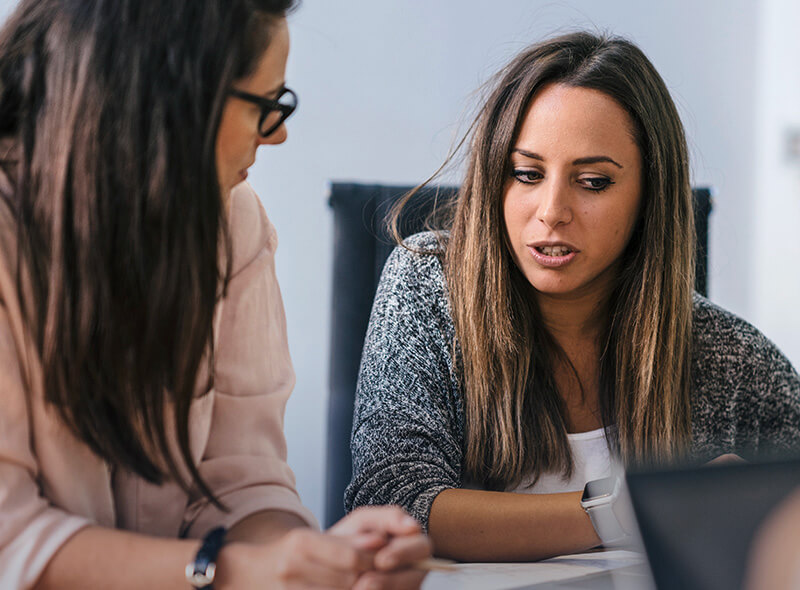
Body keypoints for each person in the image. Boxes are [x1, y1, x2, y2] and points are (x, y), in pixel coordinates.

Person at [0, 0, 430, 588]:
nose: (277, 134)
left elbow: (242, 482)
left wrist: (312, 560)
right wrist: (234, 572)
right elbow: (10, 542)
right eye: (264, 106)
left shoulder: (234, 225)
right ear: (161, 94)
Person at [345, 31, 800, 562]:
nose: (551, 211)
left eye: (592, 181)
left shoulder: (727, 355)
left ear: (650, 195)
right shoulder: (430, 284)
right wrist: (631, 509)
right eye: (526, 174)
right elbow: (393, 506)